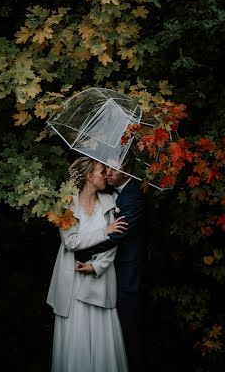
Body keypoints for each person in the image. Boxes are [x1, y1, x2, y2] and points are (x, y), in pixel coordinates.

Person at [47, 156, 129, 372]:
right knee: (77, 336)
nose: (106, 175)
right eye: (102, 171)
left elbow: (114, 241)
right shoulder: (65, 204)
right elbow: (71, 241)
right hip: (72, 280)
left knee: (101, 337)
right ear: (89, 177)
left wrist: (97, 267)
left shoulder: (110, 203)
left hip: (99, 280)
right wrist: (103, 231)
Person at [75, 157, 146, 372]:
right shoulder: (108, 195)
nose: (107, 172)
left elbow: (117, 236)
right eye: (106, 167)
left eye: (114, 168)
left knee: (129, 331)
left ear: (128, 171)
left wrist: (79, 250)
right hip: (110, 272)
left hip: (127, 273)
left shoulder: (133, 196)